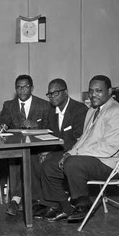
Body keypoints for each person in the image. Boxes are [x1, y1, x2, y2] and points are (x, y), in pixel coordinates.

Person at [40, 75, 119, 223]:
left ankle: (82, 204)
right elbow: (83, 140)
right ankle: (65, 207)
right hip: (89, 159)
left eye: (98, 91)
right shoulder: (91, 111)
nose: (93, 94)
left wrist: (75, 155)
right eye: (91, 91)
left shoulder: (118, 112)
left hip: (109, 163)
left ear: (109, 91)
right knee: (49, 165)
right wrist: (69, 153)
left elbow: (109, 148)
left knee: (73, 163)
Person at [32, 78, 88, 220]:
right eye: (49, 94)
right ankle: (51, 203)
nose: (52, 97)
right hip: (61, 149)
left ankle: (63, 205)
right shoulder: (52, 112)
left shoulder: (79, 110)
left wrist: (52, 151)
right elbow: (51, 135)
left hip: (77, 151)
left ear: (66, 93)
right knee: (36, 158)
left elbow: (78, 139)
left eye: (55, 93)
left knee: (48, 164)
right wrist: (46, 150)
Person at [0, 74, 51, 216]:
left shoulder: (44, 105)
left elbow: (51, 127)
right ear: (15, 89)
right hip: (17, 148)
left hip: (38, 148)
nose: (22, 90)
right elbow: (4, 121)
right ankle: (25, 200)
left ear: (31, 88)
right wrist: (1, 126)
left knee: (30, 159)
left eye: (25, 87)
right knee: (16, 162)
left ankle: (15, 200)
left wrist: (36, 125)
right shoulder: (9, 105)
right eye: (19, 87)